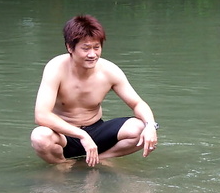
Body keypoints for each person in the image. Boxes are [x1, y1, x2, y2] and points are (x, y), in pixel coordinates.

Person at [30, 15, 158, 167]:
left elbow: (137, 103)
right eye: (85, 48)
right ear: (70, 47)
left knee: (140, 128)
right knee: (39, 136)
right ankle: (62, 164)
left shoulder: (109, 70)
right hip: (64, 135)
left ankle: (99, 159)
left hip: (96, 130)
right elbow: (41, 115)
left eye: (96, 47)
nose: (92, 54)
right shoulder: (56, 68)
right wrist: (81, 135)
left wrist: (150, 125)